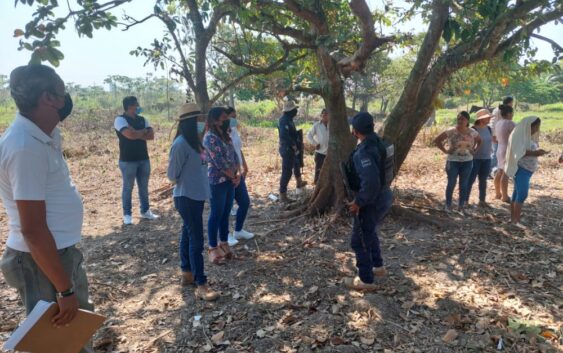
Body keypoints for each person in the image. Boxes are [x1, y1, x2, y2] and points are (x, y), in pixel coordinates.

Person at [0, 65, 94, 352]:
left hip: (56, 256)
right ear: (48, 98)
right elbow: (32, 228)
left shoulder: (43, 136)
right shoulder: (25, 146)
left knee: (74, 336)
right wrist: (64, 289)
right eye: (61, 92)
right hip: (41, 262)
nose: (66, 98)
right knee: (59, 345)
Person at [167, 103, 219, 301]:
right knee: (196, 240)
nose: (202, 123)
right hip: (186, 197)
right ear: (189, 122)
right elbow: (172, 175)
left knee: (188, 234)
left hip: (197, 196)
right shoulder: (180, 144)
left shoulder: (197, 142)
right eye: (198, 120)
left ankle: (186, 272)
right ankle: (201, 283)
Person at [343, 112, 393, 291]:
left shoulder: (363, 152)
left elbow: (370, 183)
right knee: (369, 231)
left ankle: (365, 279)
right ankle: (377, 266)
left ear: (355, 131)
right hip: (384, 195)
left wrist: (358, 202)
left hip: (372, 200)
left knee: (359, 239)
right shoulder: (380, 142)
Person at [203, 107, 240, 265]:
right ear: (215, 119)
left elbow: (234, 156)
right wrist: (233, 176)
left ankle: (223, 243)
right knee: (216, 213)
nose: (227, 120)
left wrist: (237, 174)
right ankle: (212, 248)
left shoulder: (226, 135)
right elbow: (218, 161)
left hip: (230, 180)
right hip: (217, 181)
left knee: (225, 213)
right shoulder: (210, 138)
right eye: (224, 118)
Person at [114, 96, 159, 225]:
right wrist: (142, 132)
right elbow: (129, 135)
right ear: (130, 106)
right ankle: (127, 214)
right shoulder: (120, 120)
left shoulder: (142, 119)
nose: (138, 106)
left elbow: (151, 136)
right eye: (136, 104)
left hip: (144, 158)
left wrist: (137, 132)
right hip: (128, 160)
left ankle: (145, 210)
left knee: (143, 187)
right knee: (128, 187)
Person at [434, 111, 482, 212]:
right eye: (459, 119)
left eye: (463, 119)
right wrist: (445, 151)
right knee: (451, 183)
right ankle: (448, 205)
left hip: (467, 162)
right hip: (453, 161)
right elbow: (437, 140)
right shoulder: (451, 131)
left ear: (467, 121)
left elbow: (480, 141)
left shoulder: (473, 132)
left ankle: (461, 206)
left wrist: (475, 151)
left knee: (464, 184)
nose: (460, 121)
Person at [504, 117, 548, 226]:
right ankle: (516, 220)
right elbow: (520, 152)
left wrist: (537, 152)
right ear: (529, 126)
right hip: (521, 169)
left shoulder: (528, 137)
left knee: (517, 193)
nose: (536, 129)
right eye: (535, 127)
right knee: (522, 194)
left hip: (527, 170)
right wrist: (536, 153)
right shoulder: (519, 137)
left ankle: (514, 218)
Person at [224, 107, 254, 247]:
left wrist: (244, 165)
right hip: (225, 175)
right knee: (226, 207)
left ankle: (238, 230)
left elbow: (238, 149)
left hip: (237, 172)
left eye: (235, 116)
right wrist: (230, 174)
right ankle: (226, 235)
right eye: (231, 117)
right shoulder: (218, 134)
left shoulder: (234, 131)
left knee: (244, 202)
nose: (234, 119)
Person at [278, 100, 307, 203]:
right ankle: (282, 194)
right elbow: (283, 135)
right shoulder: (284, 120)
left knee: (297, 164)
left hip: (292, 149)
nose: (296, 111)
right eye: (294, 109)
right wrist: (293, 144)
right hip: (288, 149)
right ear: (290, 110)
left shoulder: (289, 119)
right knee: (287, 172)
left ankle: (299, 183)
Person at [466, 109, 493, 207]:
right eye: (487, 117)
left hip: (487, 158)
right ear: (482, 119)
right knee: (470, 179)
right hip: (475, 159)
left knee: (483, 180)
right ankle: (465, 200)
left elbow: (491, 140)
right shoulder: (473, 129)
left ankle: (482, 200)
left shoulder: (489, 129)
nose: (489, 118)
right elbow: (468, 144)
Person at [493, 104, 515, 203]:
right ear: (509, 113)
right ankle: (505, 196)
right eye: (512, 113)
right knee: (505, 174)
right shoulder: (510, 123)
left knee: (499, 172)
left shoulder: (498, 123)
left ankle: (498, 193)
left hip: (499, 148)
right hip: (507, 149)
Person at [490, 96, 514, 174]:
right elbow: (493, 123)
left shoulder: (504, 110)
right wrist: (493, 135)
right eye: (512, 103)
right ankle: (490, 170)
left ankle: (495, 171)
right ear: (509, 102)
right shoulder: (498, 111)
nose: (512, 104)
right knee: (495, 153)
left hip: (500, 135)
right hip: (497, 135)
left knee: (497, 154)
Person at [307, 108, 329, 184]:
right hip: (320, 153)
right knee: (318, 171)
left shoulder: (333, 126)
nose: (326, 116)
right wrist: (315, 143)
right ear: (321, 115)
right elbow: (309, 135)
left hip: (330, 153)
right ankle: (316, 186)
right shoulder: (317, 125)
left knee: (328, 172)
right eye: (324, 114)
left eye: (327, 114)